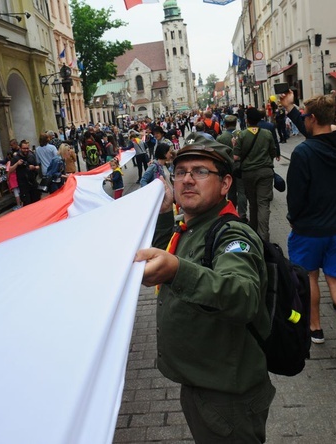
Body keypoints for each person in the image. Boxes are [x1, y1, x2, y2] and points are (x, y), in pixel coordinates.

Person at [134, 133, 274, 443]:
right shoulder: (193, 226)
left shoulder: (231, 234)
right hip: (203, 384)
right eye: (180, 172)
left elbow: (243, 294)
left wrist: (176, 271)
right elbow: (168, 255)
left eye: (200, 172)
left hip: (227, 396)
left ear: (225, 184)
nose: (187, 180)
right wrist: (161, 217)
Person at [279, 91, 336, 363]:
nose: (302, 120)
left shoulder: (304, 152)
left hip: (309, 229)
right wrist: (292, 107)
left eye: (305, 116)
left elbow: (296, 195)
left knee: (309, 278)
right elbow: (320, 133)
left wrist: (294, 217)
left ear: (314, 119)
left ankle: (315, 328)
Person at [235, 108, 278, 241]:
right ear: (259, 120)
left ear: (247, 120)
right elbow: (273, 152)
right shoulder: (267, 134)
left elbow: (236, 157)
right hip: (265, 172)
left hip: (248, 173)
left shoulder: (241, 135)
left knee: (253, 203)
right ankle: (264, 235)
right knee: (263, 203)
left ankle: (253, 231)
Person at [217, 115, 248, 223]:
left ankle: (231, 212)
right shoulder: (242, 135)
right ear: (236, 123)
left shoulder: (221, 137)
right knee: (242, 191)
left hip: (228, 166)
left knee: (230, 190)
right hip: (240, 166)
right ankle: (242, 214)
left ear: (225, 124)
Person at [11, 140, 41, 206]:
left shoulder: (31, 155)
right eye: (24, 148)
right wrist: (17, 164)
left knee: (37, 202)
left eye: (27, 148)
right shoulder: (16, 158)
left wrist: (34, 167)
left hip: (33, 182)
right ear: (20, 148)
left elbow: (38, 166)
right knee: (27, 203)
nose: (26, 150)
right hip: (23, 185)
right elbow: (10, 170)